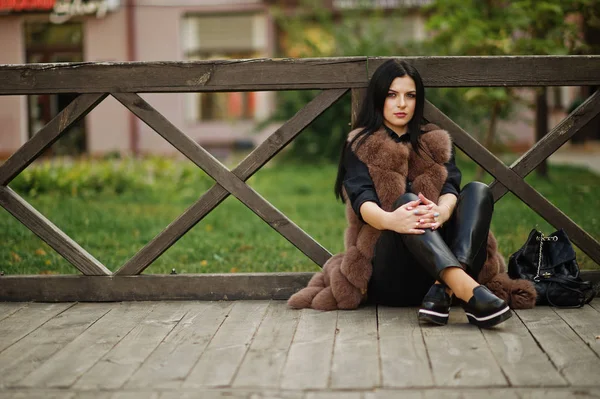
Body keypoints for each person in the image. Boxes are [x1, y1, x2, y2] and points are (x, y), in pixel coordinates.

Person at [336, 59, 510, 328]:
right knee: (407, 203)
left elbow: (451, 187)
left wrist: (442, 211)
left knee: (478, 190)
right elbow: (362, 200)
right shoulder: (361, 145)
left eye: (410, 95)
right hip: (395, 276)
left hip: (440, 267)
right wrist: (392, 220)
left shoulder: (434, 141)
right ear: (379, 97)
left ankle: (445, 288)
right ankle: (466, 289)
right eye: (392, 95)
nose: (402, 103)